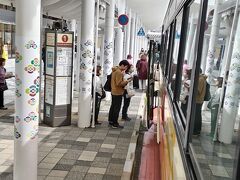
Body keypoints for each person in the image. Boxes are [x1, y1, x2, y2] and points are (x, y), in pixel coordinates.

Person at [108, 60, 130, 128]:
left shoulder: (115, 70)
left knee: (113, 107)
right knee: (116, 108)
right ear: (122, 65)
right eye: (126, 67)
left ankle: (111, 120)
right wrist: (126, 81)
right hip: (118, 92)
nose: (126, 68)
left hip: (113, 91)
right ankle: (115, 123)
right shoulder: (119, 72)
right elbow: (119, 83)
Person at [193, 69, 207, 135]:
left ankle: (196, 130)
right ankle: (197, 129)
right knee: (197, 115)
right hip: (199, 100)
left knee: (197, 116)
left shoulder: (200, 79)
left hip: (198, 100)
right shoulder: (201, 79)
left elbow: (198, 91)